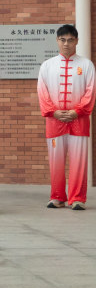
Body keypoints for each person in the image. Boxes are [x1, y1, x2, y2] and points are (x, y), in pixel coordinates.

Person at [37, 24, 95, 209]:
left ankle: (77, 198)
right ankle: (57, 196)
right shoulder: (47, 65)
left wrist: (77, 111)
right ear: (57, 41)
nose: (66, 44)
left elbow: (90, 91)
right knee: (56, 161)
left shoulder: (86, 65)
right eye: (63, 40)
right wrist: (52, 111)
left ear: (77, 41)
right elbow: (42, 91)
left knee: (79, 161)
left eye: (70, 40)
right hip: (55, 122)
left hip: (79, 121)